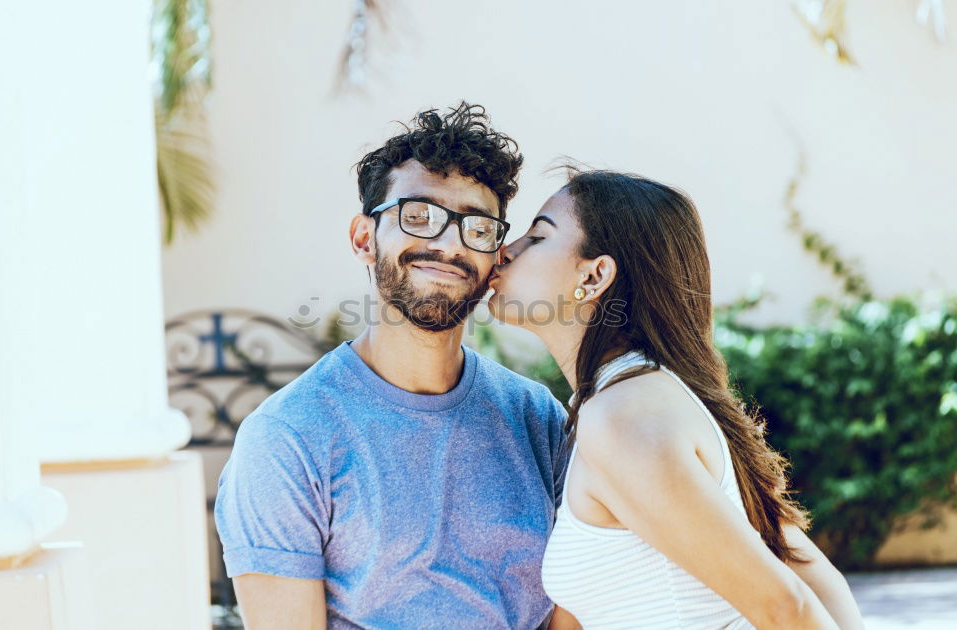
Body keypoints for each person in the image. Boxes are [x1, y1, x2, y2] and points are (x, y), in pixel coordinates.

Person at [213, 102, 569, 629]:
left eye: (477, 227)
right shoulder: (286, 438)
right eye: (418, 216)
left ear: (495, 255)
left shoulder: (536, 417)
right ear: (364, 238)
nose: (447, 244)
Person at [487, 169, 865, 630]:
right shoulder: (634, 398)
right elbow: (817, 580)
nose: (505, 251)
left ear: (595, 274)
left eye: (538, 236)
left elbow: (789, 607)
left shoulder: (621, 415)